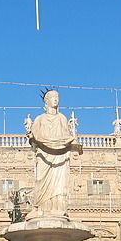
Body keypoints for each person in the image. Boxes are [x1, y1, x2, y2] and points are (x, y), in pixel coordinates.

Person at [28, 90, 82, 220]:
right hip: (43, 154)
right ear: (46, 101)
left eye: (57, 97)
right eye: (52, 97)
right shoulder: (39, 119)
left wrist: (71, 142)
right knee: (40, 180)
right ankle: (40, 206)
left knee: (59, 183)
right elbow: (34, 137)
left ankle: (57, 208)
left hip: (60, 155)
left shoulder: (62, 118)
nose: (56, 99)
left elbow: (65, 137)